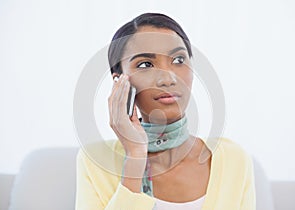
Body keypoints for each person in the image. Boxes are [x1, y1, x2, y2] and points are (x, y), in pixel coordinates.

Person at [75, 13, 256, 210]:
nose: (168, 79)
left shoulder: (233, 159)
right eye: (145, 64)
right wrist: (135, 157)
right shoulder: (95, 161)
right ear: (119, 81)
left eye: (179, 60)